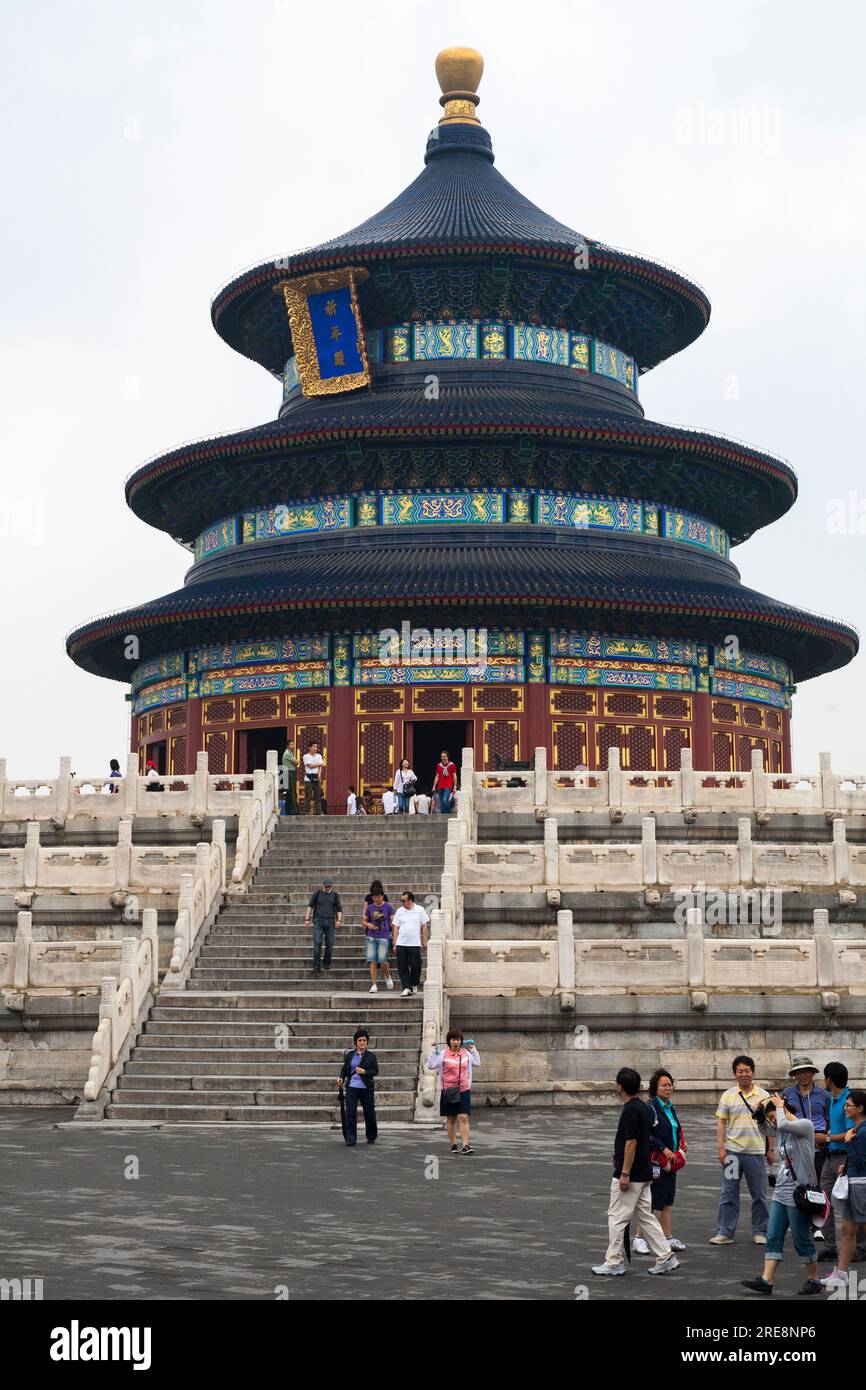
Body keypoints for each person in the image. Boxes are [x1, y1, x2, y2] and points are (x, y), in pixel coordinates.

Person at [591, 1067, 678, 1277]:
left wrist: (624, 1172)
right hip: (645, 1171)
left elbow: (631, 1142)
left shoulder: (630, 1110)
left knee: (617, 1217)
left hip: (632, 1173)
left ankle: (613, 1261)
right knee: (645, 1216)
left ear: (619, 1087)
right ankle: (665, 1256)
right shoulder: (645, 1108)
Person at [741, 1094, 821, 1295]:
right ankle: (767, 1281)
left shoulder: (805, 1126)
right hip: (781, 1192)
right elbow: (763, 1129)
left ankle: (814, 1279)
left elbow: (783, 1124)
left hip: (799, 1194)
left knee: (800, 1238)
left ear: (784, 1109)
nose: (774, 1121)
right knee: (774, 1234)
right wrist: (760, 1114)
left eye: (775, 1116)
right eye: (772, 1117)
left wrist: (779, 1108)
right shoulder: (782, 1130)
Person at [711, 1054, 775, 1246]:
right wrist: (721, 1148)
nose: (744, 1074)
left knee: (760, 1195)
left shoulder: (764, 1096)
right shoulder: (728, 1095)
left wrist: (771, 1149)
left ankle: (760, 1231)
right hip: (733, 1153)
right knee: (728, 1193)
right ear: (734, 1074)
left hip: (756, 1153)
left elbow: (771, 1124)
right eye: (740, 1071)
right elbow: (721, 1122)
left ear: (753, 1072)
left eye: (747, 1071)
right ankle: (725, 1231)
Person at [634, 1068, 687, 1255]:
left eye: (670, 1084)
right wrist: (663, 1147)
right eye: (664, 1085)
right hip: (657, 1161)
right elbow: (645, 1133)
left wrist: (681, 1142)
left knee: (667, 1202)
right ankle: (639, 1238)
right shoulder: (652, 1108)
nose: (668, 1088)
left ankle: (668, 1237)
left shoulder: (669, 1106)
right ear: (654, 1088)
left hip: (670, 1161)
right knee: (651, 1202)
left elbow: (674, 1128)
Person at [819, 1062, 866, 1266]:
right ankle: (830, 1245)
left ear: (829, 1079)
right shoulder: (832, 1099)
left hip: (846, 1159)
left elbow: (851, 1133)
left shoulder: (849, 1100)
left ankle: (860, 1247)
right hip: (831, 1156)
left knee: (854, 1206)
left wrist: (827, 1138)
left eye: (825, 1077)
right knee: (825, 1200)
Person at [426, 1028, 480, 1154]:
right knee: (451, 1119)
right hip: (449, 1091)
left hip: (463, 1090)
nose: (455, 1042)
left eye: (458, 1039)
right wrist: (433, 1050)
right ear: (449, 1041)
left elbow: (477, 1062)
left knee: (463, 1117)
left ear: (461, 1041)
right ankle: (454, 1145)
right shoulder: (443, 1054)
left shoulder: (466, 1053)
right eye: (453, 1039)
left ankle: (466, 1145)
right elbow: (431, 1065)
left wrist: (473, 1048)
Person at [782, 1055, 830, 1188]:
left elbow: (829, 1121)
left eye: (807, 1071)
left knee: (819, 1186)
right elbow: (783, 1117)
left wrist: (826, 1138)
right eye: (799, 1072)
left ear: (813, 1073)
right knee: (798, 1187)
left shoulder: (825, 1095)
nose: (803, 1075)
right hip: (796, 1147)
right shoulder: (787, 1093)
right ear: (794, 1075)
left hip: (818, 1148)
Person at [338, 1029, 379, 1146]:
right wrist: (341, 1077)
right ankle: (351, 1138)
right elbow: (344, 1069)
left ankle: (371, 1136)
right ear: (356, 1042)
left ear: (367, 1042)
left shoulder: (371, 1056)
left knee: (369, 1113)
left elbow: (375, 1071)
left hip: (366, 1088)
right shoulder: (350, 1054)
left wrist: (365, 1071)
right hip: (352, 1087)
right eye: (359, 1040)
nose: (362, 1042)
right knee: (350, 1113)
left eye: (364, 1040)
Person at [391, 890, 429, 996]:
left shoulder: (420, 910)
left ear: (410, 900)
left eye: (404, 901)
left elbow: (424, 925)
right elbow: (396, 927)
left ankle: (414, 983)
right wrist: (395, 942)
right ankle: (406, 987)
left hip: (414, 943)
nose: (402, 903)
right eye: (401, 901)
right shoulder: (400, 911)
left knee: (416, 965)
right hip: (401, 943)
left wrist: (425, 940)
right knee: (402, 966)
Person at [304, 877, 342, 974]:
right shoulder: (317, 894)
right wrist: (307, 919)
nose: (328, 888)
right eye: (326, 886)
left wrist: (339, 920)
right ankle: (316, 965)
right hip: (318, 921)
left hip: (330, 921)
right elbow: (310, 906)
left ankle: (327, 962)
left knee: (330, 943)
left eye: (329, 886)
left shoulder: (335, 895)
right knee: (317, 943)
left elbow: (339, 909)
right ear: (323, 885)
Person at [362, 888, 395, 993]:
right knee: (373, 960)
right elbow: (363, 921)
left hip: (384, 936)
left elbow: (393, 923)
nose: (376, 899)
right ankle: (374, 984)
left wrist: (394, 937)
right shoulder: (370, 907)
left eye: (378, 897)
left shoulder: (388, 907)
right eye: (374, 897)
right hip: (371, 936)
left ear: (383, 896)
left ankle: (387, 976)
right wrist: (369, 925)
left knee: (383, 960)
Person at [302, 742, 324, 815]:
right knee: (308, 796)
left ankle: (318, 812)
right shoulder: (306, 756)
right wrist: (319, 764)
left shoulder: (319, 756)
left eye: (316, 747)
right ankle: (307, 811)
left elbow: (321, 766)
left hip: (317, 777)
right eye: (314, 747)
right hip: (308, 778)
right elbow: (310, 766)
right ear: (309, 748)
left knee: (318, 796)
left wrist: (319, 774)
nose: (316, 748)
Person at [281, 744, 299, 815]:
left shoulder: (290, 753)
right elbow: (297, 762)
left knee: (290, 793)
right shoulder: (288, 754)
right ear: (287, 746)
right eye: (291, 744)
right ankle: (294, 811)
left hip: (290, 772)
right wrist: (296, 762)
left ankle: (289, 811)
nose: (293, 746)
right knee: (292, 792)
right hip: (289, 772)